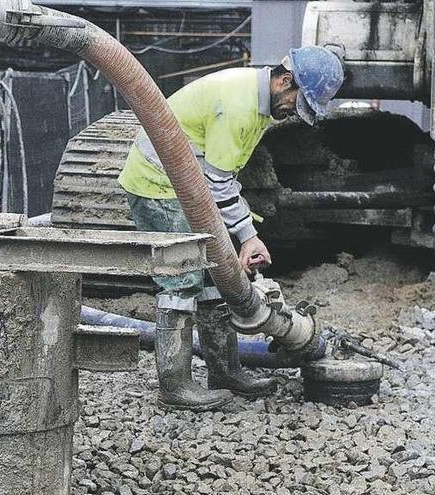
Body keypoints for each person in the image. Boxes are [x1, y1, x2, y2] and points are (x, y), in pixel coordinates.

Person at [118, 46, 344, 411]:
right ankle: (174, 387)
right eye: (296, 104)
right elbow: (219, 181)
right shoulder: (238, 105)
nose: (292, 115)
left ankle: (224, 373)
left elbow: (220, 177)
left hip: (189, 186)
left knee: (214, 278)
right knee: (182, 281)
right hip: (158, 185)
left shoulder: (259, 105)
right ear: (285, 81)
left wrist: (238, 232)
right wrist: (247, 235)